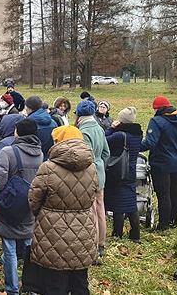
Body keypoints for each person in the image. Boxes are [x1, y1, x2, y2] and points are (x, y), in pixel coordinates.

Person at [28, 125, 98, 294]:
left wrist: (44, 213)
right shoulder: (91, 167)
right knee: (80, 282)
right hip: (83, 229)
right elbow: (93, 195)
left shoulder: (48, 167)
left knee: (54, 283)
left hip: (52, 230)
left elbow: (33, 199)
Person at [0, 118, 43, 295]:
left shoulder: (8, 152)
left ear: (18, 132)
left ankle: (12, 289)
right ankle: (32, 286)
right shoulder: (40, 153)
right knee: (29, 245)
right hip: (30, 205)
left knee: (10, 248)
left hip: (10, 205)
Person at [141, 96, 177, 231]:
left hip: (160, 163)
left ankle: (163, 225)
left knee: (163, 194)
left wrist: (133, 146)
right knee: (174, 191)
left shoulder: (157, 121)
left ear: (158, 109)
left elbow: (150, 142)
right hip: (176, 162)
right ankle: (174, 221)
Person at [76, 100, 110, 259]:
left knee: (91, 210)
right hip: (100, 171)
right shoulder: (99, 128)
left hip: (89, 173)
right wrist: (100, 165)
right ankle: (101, 242)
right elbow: (106, 153)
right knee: (100, 207)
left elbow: (84, 157)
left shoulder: (82, 132)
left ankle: (94, 246)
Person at [105, 107, 142, 241]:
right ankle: (135, 234)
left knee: (118, 204)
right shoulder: (138, 134)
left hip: (119, 172)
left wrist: (111, 127)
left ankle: (117, 234)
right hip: (131, 172)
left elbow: (104, 139)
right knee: (131, 203)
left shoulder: (120, 135)